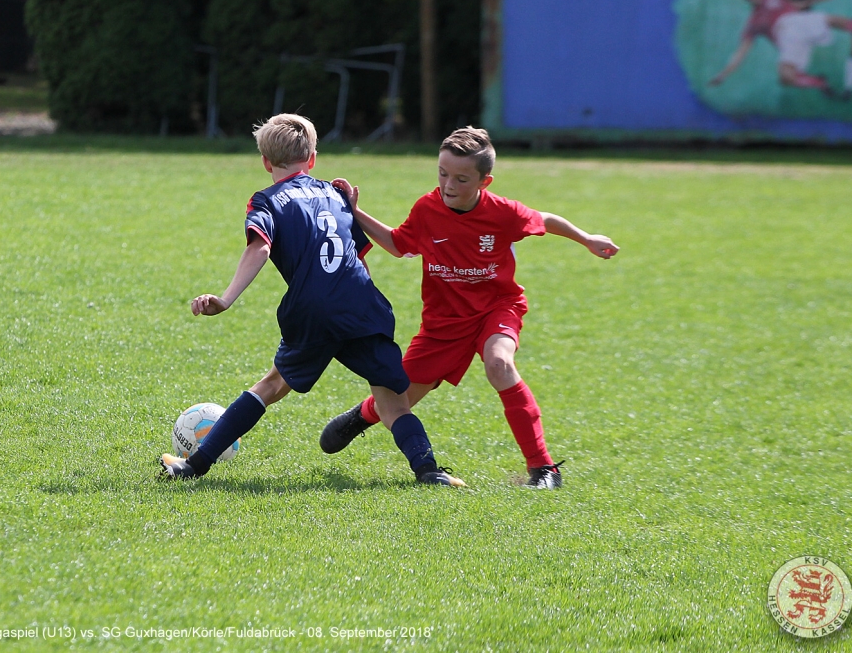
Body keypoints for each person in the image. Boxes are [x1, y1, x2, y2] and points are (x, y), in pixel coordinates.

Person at [159, 114, 465, 487]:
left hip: (314, 309)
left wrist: (226, 299)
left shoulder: (266, 200)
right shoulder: (336, 195)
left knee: (271, 386)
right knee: (393, 402)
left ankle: (193, 465)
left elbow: (259, 247)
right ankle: (429, 471)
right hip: (363, 305)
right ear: (313, 158)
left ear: (266, 162)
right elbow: (356, 256)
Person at [319, 127, 619, 490]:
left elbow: (546, 219)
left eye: (461, 179)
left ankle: (543, 469)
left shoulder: (503, 212)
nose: (449, 185)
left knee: (499, 364)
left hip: (497, 307)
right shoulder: (427, 208)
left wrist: (586, 239)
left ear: (484, 181)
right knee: (398, 401)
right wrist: (356, 212)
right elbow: (399, 245)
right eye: (443, 173)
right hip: (443, 323)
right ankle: (363, 415)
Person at [709, 0, 852, 95]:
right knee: (785, 78)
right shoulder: (754, 21)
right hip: (790, 41)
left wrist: (806, 2)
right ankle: (819, 82)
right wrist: (723, 74)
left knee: (827, 19)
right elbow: (741, 52)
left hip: (797, 23)